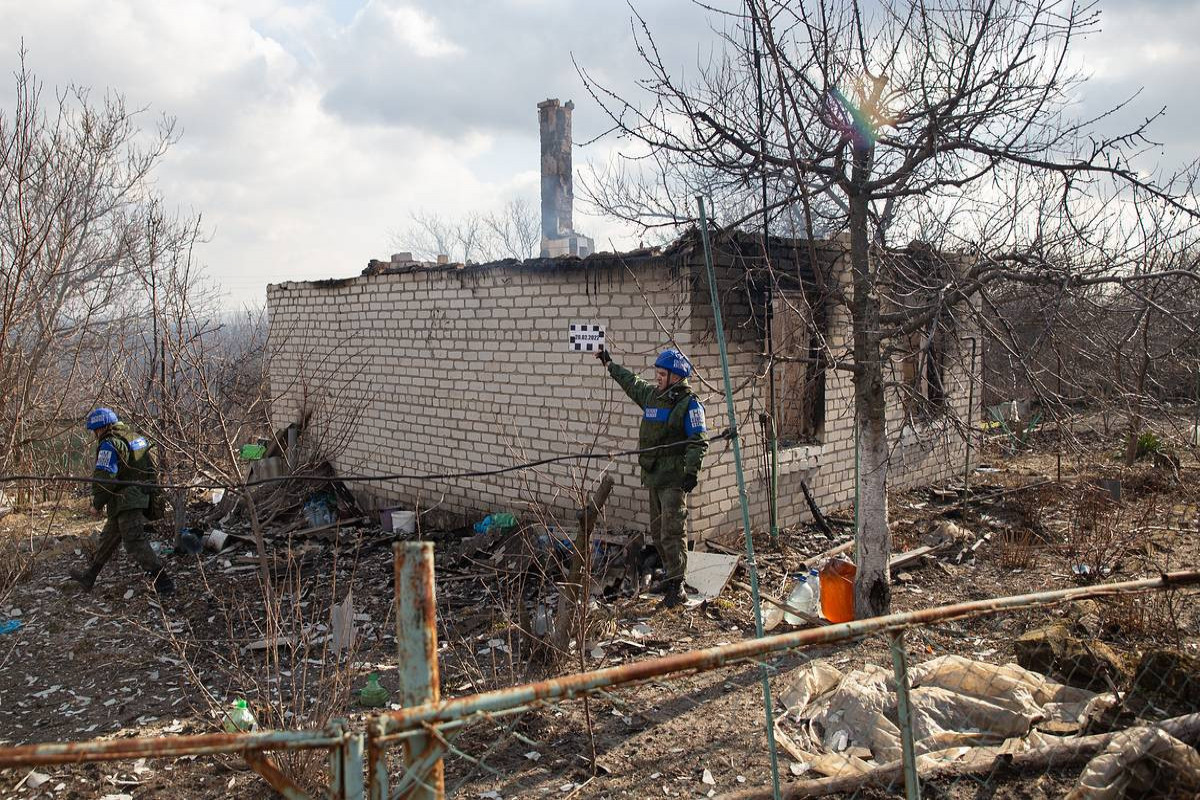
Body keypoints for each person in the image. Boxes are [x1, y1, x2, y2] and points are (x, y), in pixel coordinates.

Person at [597, 347, 708, 608]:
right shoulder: (652, 397)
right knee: (658, 533)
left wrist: (691, 472)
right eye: (656, 373)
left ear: (676, 377)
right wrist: (609, 364)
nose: (657, 378)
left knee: (673, 531)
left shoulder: (689, 405)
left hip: (673, 480)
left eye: (661, 374)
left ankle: (677, 585)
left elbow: (698, 441)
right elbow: (631, 383)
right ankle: (670, 577)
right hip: (654, 477)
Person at [68, 408, 174, 595]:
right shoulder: (136, 437)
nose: (94, 434)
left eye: (95, 430)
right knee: (108, 538)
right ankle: (89, 577)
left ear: (101, 428)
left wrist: (97, 504)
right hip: (140, 495)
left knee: (134, 541)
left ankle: (163, 583)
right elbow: (152, 467)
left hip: (127, 500)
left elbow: (105, 478)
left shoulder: (110, 444)